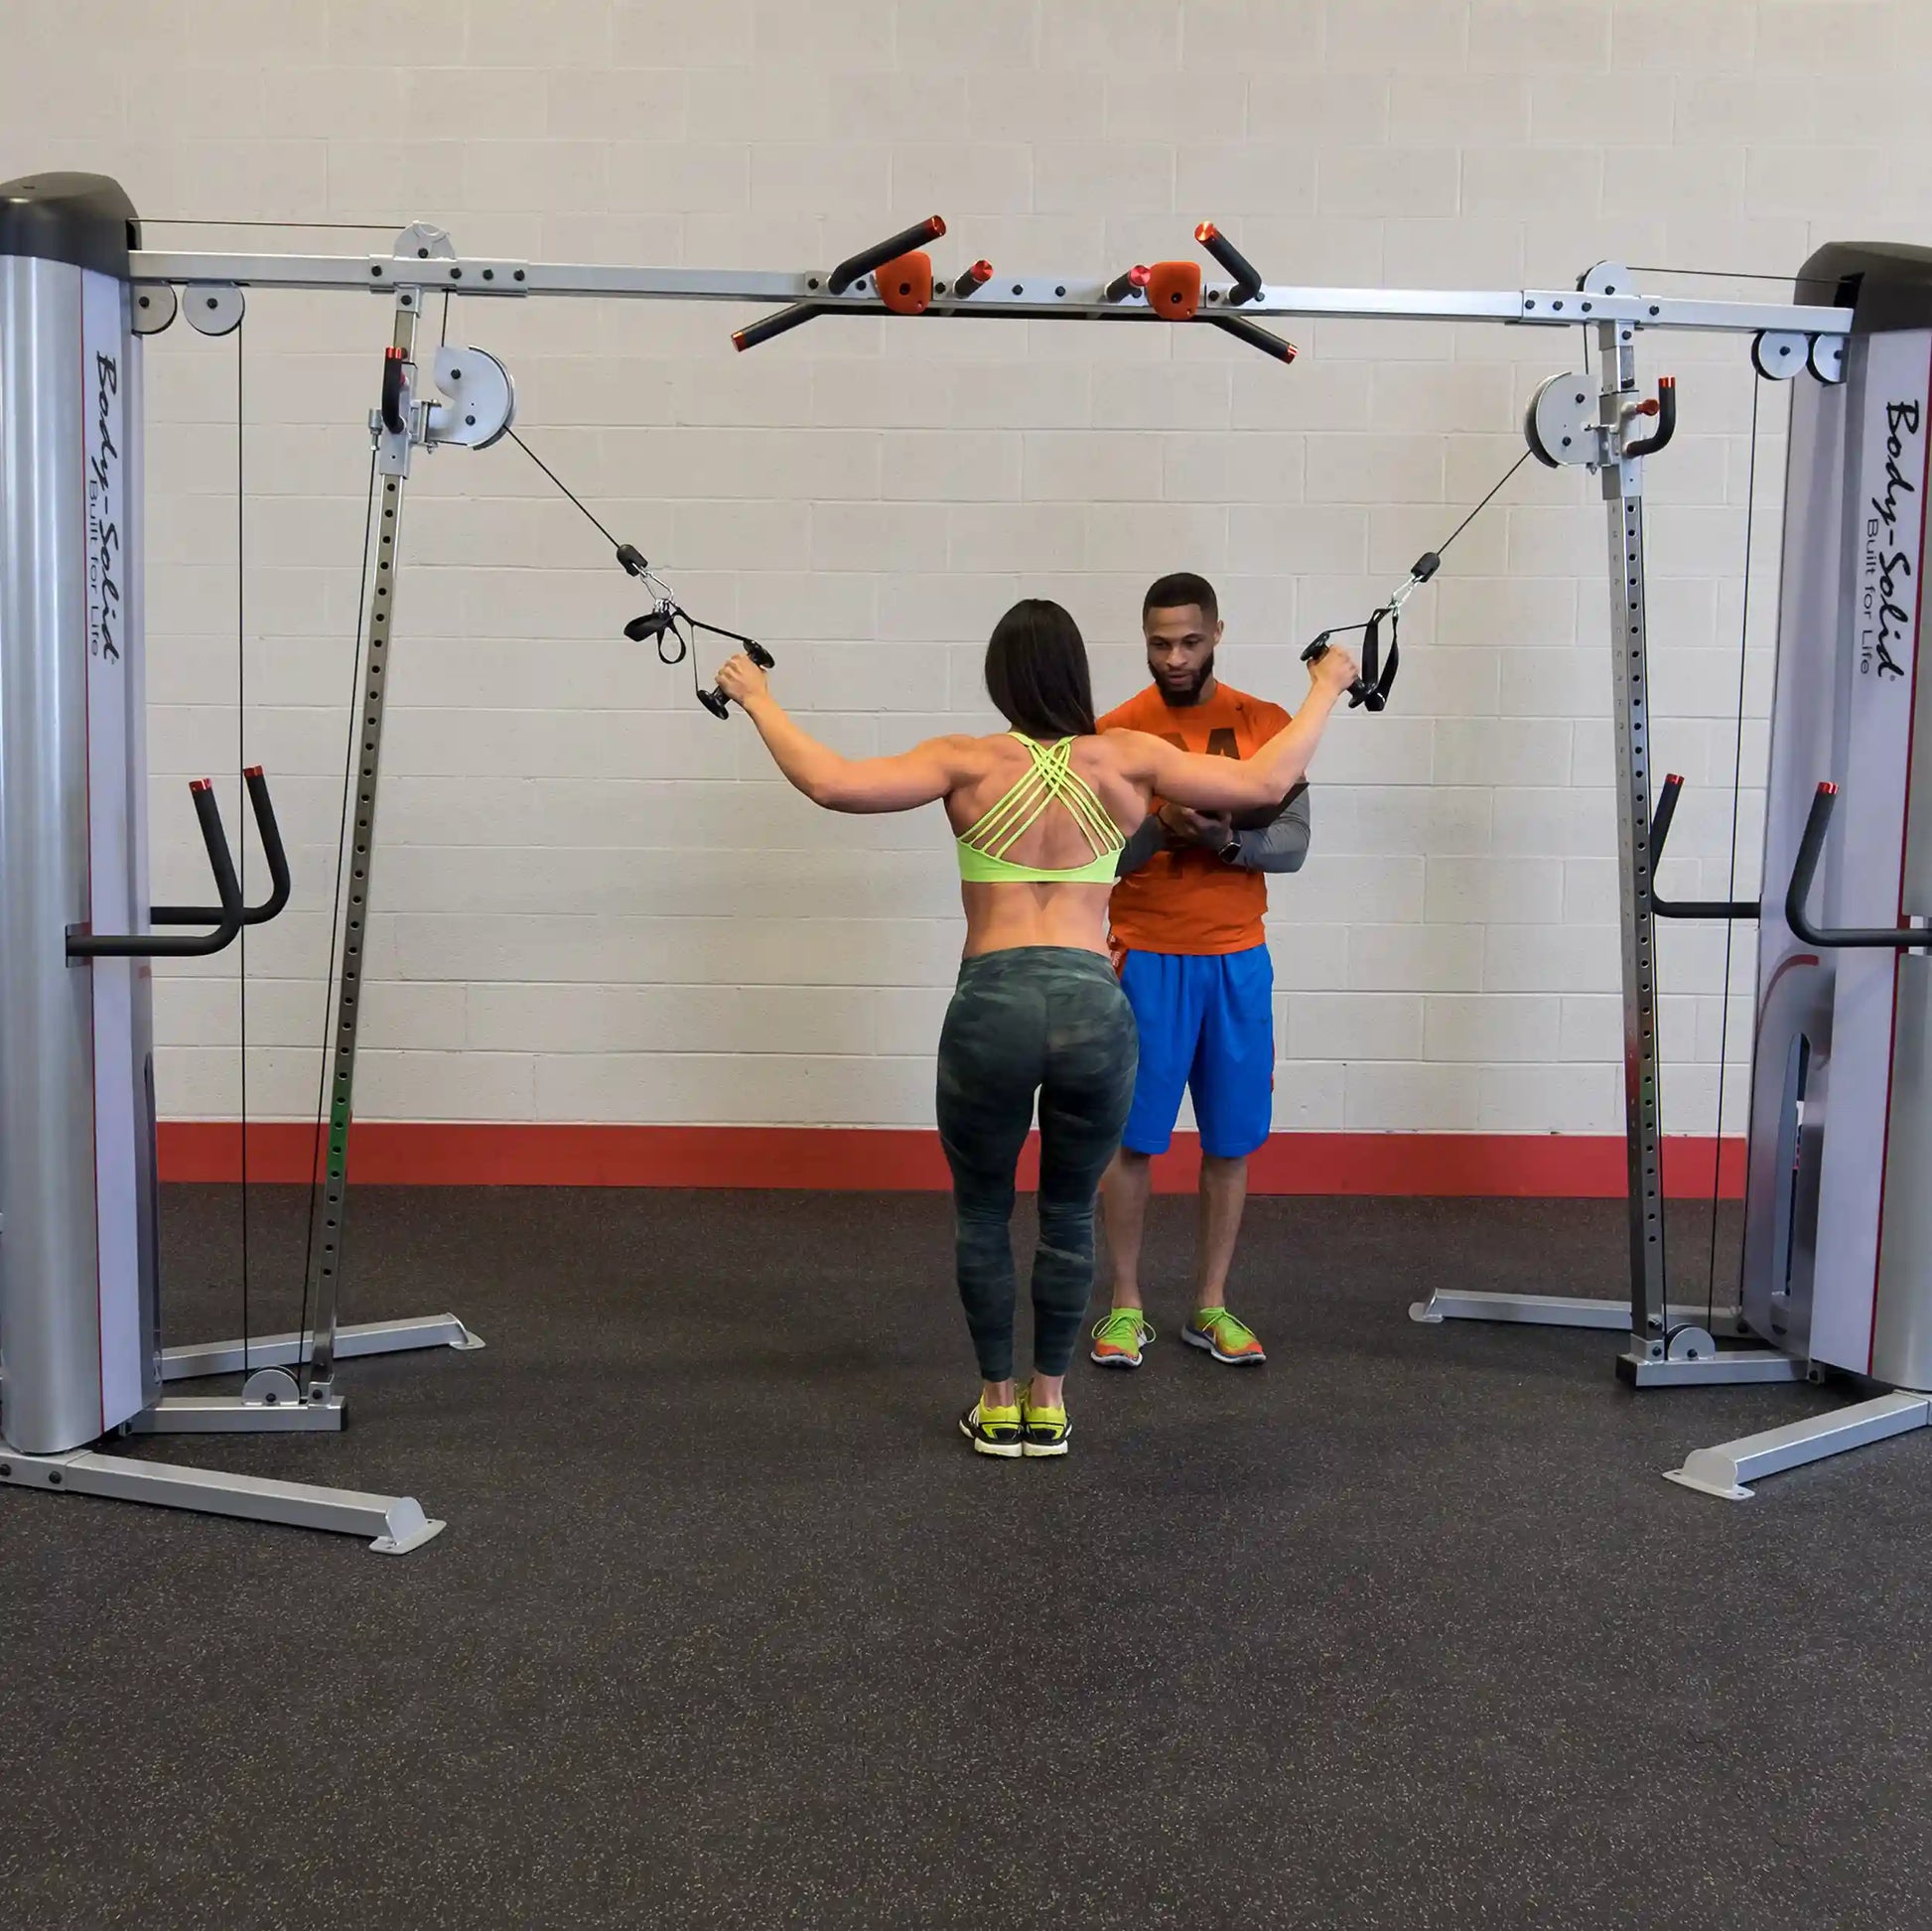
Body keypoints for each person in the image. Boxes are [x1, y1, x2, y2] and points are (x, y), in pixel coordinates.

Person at [714, 599, 1356, 1458]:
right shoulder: (1126, 759)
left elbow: (830, 782)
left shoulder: (966, 759)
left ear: (999, 676)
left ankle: (996, 1399)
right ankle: (1048, 1403)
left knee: (983, 1214)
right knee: (1067, 1215)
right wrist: (1327, 685)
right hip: (1094, 1002)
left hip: (996, 1000)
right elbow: (1266, 785)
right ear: (1076, 673)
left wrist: (756, 696)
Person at [1092, 572, 1311, 1373]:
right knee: (1131, 1139)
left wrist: (1221, 842)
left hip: (1235, 959)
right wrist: (1162, 827)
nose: (1174, 657)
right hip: (1145, 956)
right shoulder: (1116, 732)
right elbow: (1093, 858)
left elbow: (1293, 842)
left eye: (1189, 640)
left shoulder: (1265, 724)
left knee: (1230, 1139)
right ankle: (1125, 1306)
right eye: (1159, 642)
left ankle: (1210, 1304)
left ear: (1218, 631)